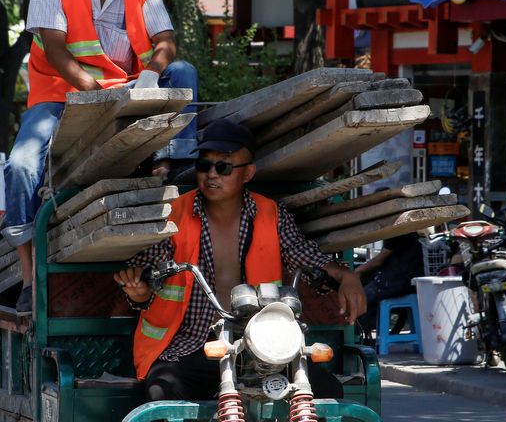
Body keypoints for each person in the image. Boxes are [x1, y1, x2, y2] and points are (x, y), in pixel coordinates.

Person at [2, 0, 198, 313]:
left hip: (126, 92)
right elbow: (54, 48)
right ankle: (28, 276)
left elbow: (166, 39)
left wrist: (149, 74)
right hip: (59, 96)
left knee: (183, 72)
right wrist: (91, 92)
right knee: (19, 167)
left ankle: (174, 167)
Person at [114, 119, 367, 401]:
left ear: (247, 173)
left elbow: (302, 254)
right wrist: (139, 292)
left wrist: (346, 276)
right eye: (204, 165)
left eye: (222, 167)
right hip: (190, 346)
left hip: (262, 346)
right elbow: (149, 271)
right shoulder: (174, 213)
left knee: (328, 390)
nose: (211, 175)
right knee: (161, 392)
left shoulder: (270, 213)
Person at [354, 231, 426, 341]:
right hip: (407, 281)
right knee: (366, 284)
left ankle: (360, 336)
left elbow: (379, 261)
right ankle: (366, 333)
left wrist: (357, 271)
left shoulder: (397, 232)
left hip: (399, 283)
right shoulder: (409, 232)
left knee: (359, 298)